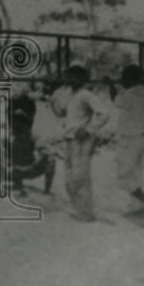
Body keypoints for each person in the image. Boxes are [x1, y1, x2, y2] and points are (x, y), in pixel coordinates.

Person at [52, 64, 110, 221]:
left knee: (80, 177)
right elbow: (60, 112)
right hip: (69, 139)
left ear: (82, 78)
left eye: (75, 76)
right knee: (69, 177)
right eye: (69, 75)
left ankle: (86, 214)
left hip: (82, 140)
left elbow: (104, 113)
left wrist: (89, 129)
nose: (71, 79)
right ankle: (79, 210)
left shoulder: (86, 94)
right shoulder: (70, 94)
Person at [113, 63, 144, 213]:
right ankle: (137, 206)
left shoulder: (130, 95)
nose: (121, 81)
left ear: (130, 79)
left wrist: (110, 86)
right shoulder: (141, 94)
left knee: (124, 176)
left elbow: (116, 101)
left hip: (129, 139)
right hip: (139, 138)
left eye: (124, 78)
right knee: (136, 174)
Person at [10, 105, 55, 196]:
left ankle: (47, 190)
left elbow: (44, 150)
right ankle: (18, 185)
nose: (16, 125)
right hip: (13, 170)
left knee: (51, 160)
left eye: (19, 122)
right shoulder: (10, 137)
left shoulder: (33, 136)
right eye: (14, 122)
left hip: (30, 169)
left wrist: (41, 157)